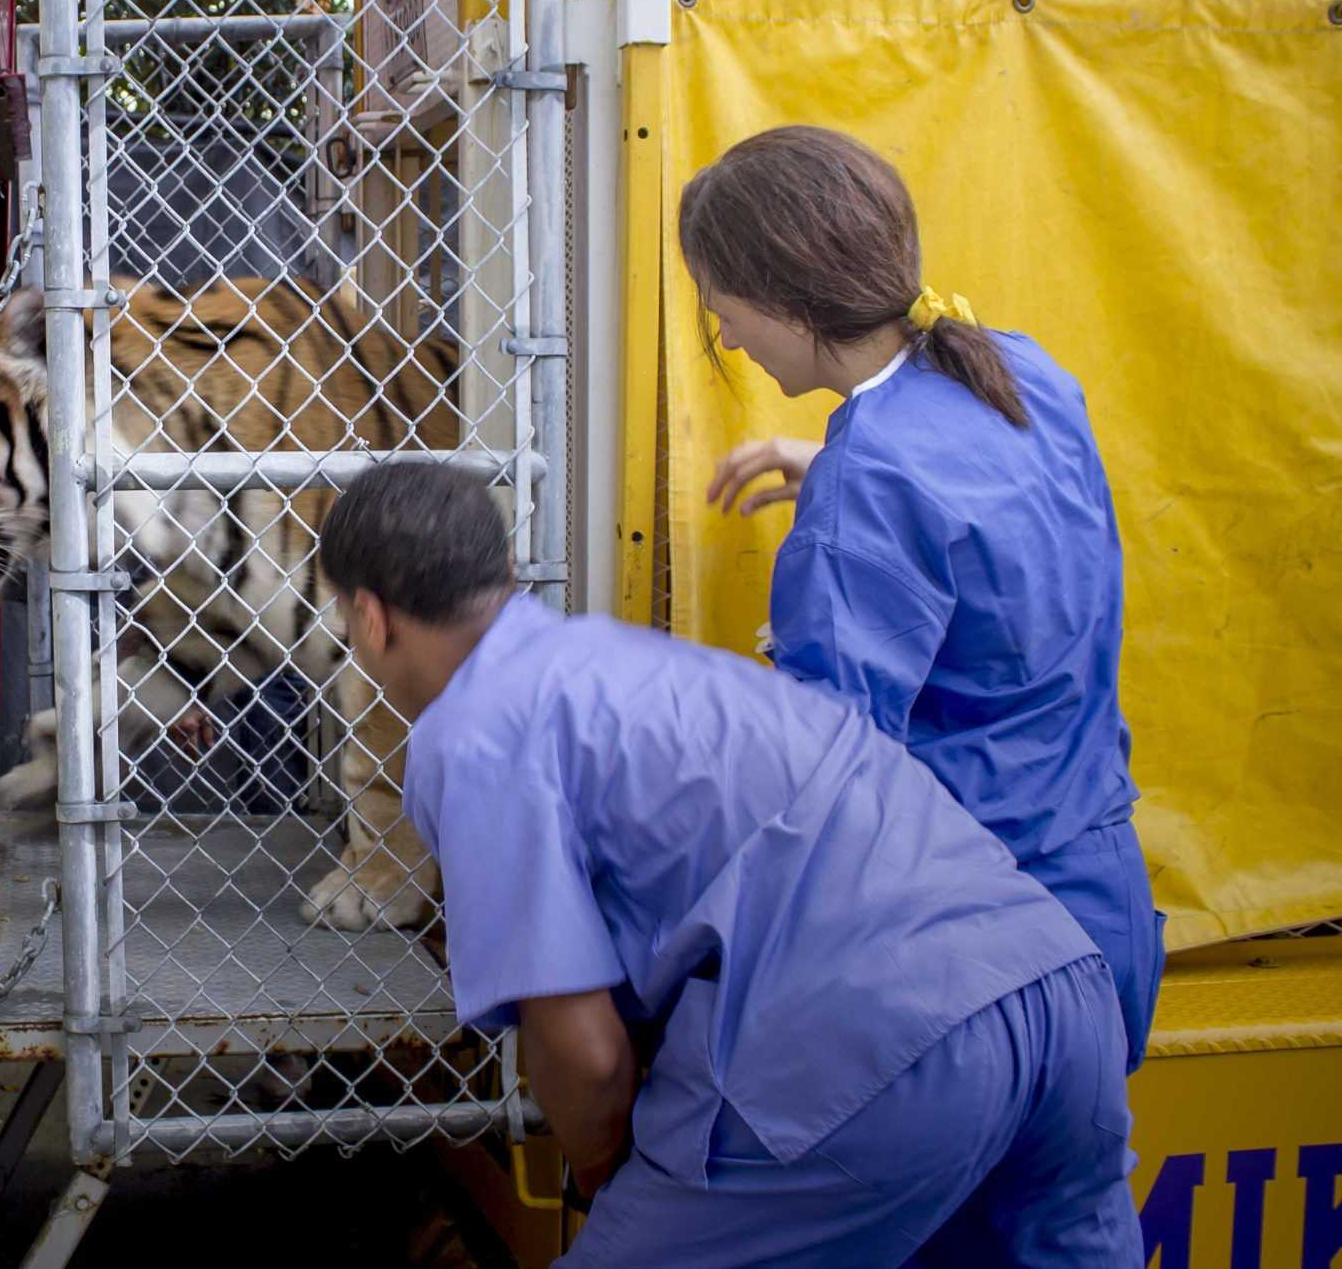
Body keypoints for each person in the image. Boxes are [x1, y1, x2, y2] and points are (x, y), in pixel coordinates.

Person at [319, 461, 1141, 1269]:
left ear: (370, 619)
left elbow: (589, 1055)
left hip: (893, 1039)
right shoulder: (624, 660)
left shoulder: (476, 732)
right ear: (500, 571)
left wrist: (620, 1189)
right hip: (1059, 992)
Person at [677, 125, 1163, 1071]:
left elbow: (830, 791)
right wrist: (830, 469)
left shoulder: (869, 490)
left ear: (785, 298)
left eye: (723, 307)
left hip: (977, 956)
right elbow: (1001, 520)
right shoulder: (1020, 371)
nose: (727, 334)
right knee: (1071, 1216)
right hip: (1104, 913)